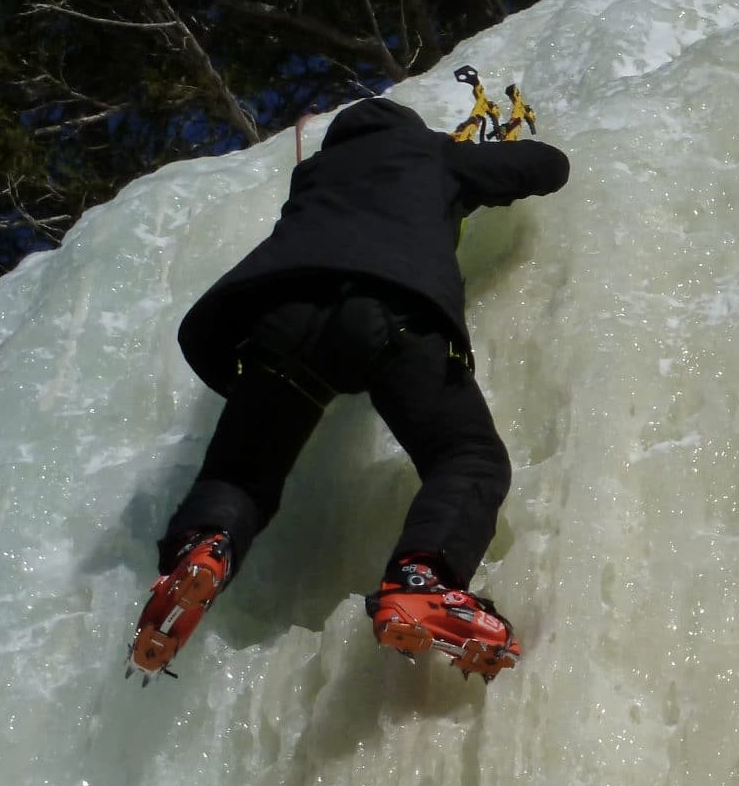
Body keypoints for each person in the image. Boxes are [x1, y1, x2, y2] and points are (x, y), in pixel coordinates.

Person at [129, 95, 570, 681]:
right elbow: (548, 167)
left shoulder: (313, 176)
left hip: (279, 321)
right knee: (467, 456)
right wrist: (484, 160)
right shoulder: (432, 152)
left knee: (238, 477)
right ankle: (424, 580)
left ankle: (201, 550)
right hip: (389, 314)